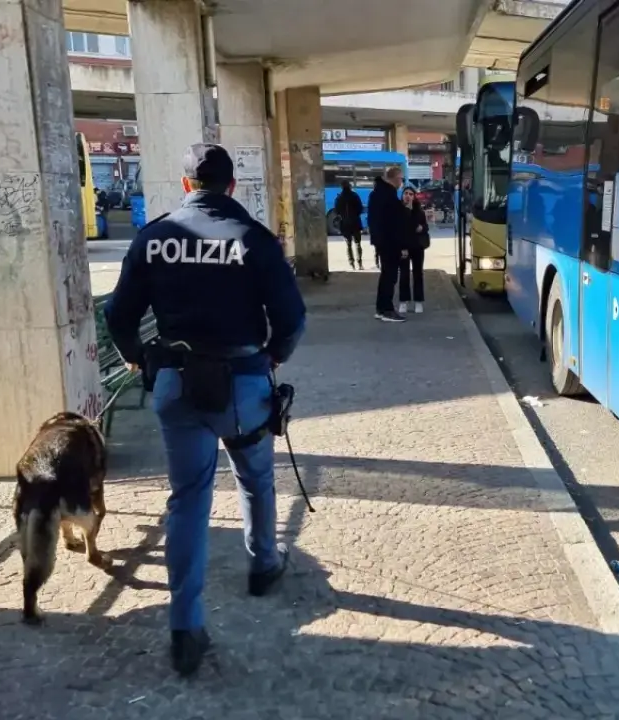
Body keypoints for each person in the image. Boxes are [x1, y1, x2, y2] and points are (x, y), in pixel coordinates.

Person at [104, 143, 306, 678]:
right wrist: (274, 356)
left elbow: (118, 313)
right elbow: (291, 317)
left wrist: (136, 360)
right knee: (255, 476)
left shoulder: (154, 238)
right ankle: (263, 564)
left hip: (177, 383)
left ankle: (185, 626)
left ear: (187, 184)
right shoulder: (256, 241)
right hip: (242, 384)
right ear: (232, 187)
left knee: (188, 498)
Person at [369, 166, 411, 322]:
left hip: (381, 241)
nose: (402, 182)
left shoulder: (377, 193)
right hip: (389, 243)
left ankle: (381, 309)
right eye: (401, 178)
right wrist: (402, 246)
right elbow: (394, 224)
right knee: (390, 277)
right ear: (394, 178)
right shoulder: (388, 195)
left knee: (385, 275)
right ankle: (387, 310)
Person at [398, 187, 429, 314]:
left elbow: (425, 227)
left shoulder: (419, 211)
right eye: (406, 193)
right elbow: (398, 231)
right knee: (404, 275)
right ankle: (403, 302)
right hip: (404, 247)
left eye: (411, 194)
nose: (408, 196)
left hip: (417, 247)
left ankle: (418, 302)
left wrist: (422, 228)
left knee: (418, 274)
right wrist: (401, 248)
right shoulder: (398, 211)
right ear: (402, 195)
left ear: (414, 197)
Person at [334, 180, 365, 269]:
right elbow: (360, 208)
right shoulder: (355, 196)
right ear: (350, 186)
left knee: (348, 244)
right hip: (355, 223)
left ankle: (352, 263)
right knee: (358, 244)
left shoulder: (339, 198)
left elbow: (337, 211)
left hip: (345, 224)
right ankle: (360, 263)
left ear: (341, 187)